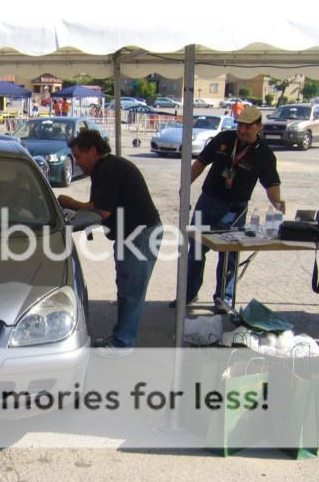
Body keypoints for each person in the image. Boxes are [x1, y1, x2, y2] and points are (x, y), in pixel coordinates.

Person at [58, 130, 162, 356]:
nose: (76, 162)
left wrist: (70, 203)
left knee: (131, 292)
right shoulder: (105, 168)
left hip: (140, 236)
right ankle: (120, 337)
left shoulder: (108, 169)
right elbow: (101, 207)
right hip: (133, 235)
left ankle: (123, 344)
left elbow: (101, 211)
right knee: (126, 289)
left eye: (77, 156)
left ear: (93, 151)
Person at [171, 105, 282, 311]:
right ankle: (188, 294)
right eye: (240, 125)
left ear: (259, 126)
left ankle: (224, 299)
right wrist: (185, 185)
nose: (242, 130)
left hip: (235, 207)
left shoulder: (264, 154)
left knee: (229, 253)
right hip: (208, 200)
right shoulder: (224, 139)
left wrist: (277, 203)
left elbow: (272, 184)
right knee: (196, 250)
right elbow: (201, 163)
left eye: (248, 126)